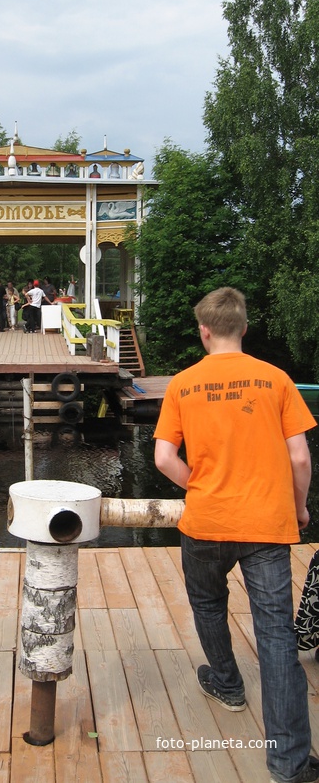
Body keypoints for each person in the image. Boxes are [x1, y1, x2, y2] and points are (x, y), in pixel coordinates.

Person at [153, 287, 317, 783]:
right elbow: (300, 457)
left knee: (208, 605)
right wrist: (298, 507)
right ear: (244, 328)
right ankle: (288, 763)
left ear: (204, 331)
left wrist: (199, 487)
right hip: (267, 524)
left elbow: (163, 458)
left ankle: (226, 684)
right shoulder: (276, 379)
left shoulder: (182, 384)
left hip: (205, 521)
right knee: (276, 636)